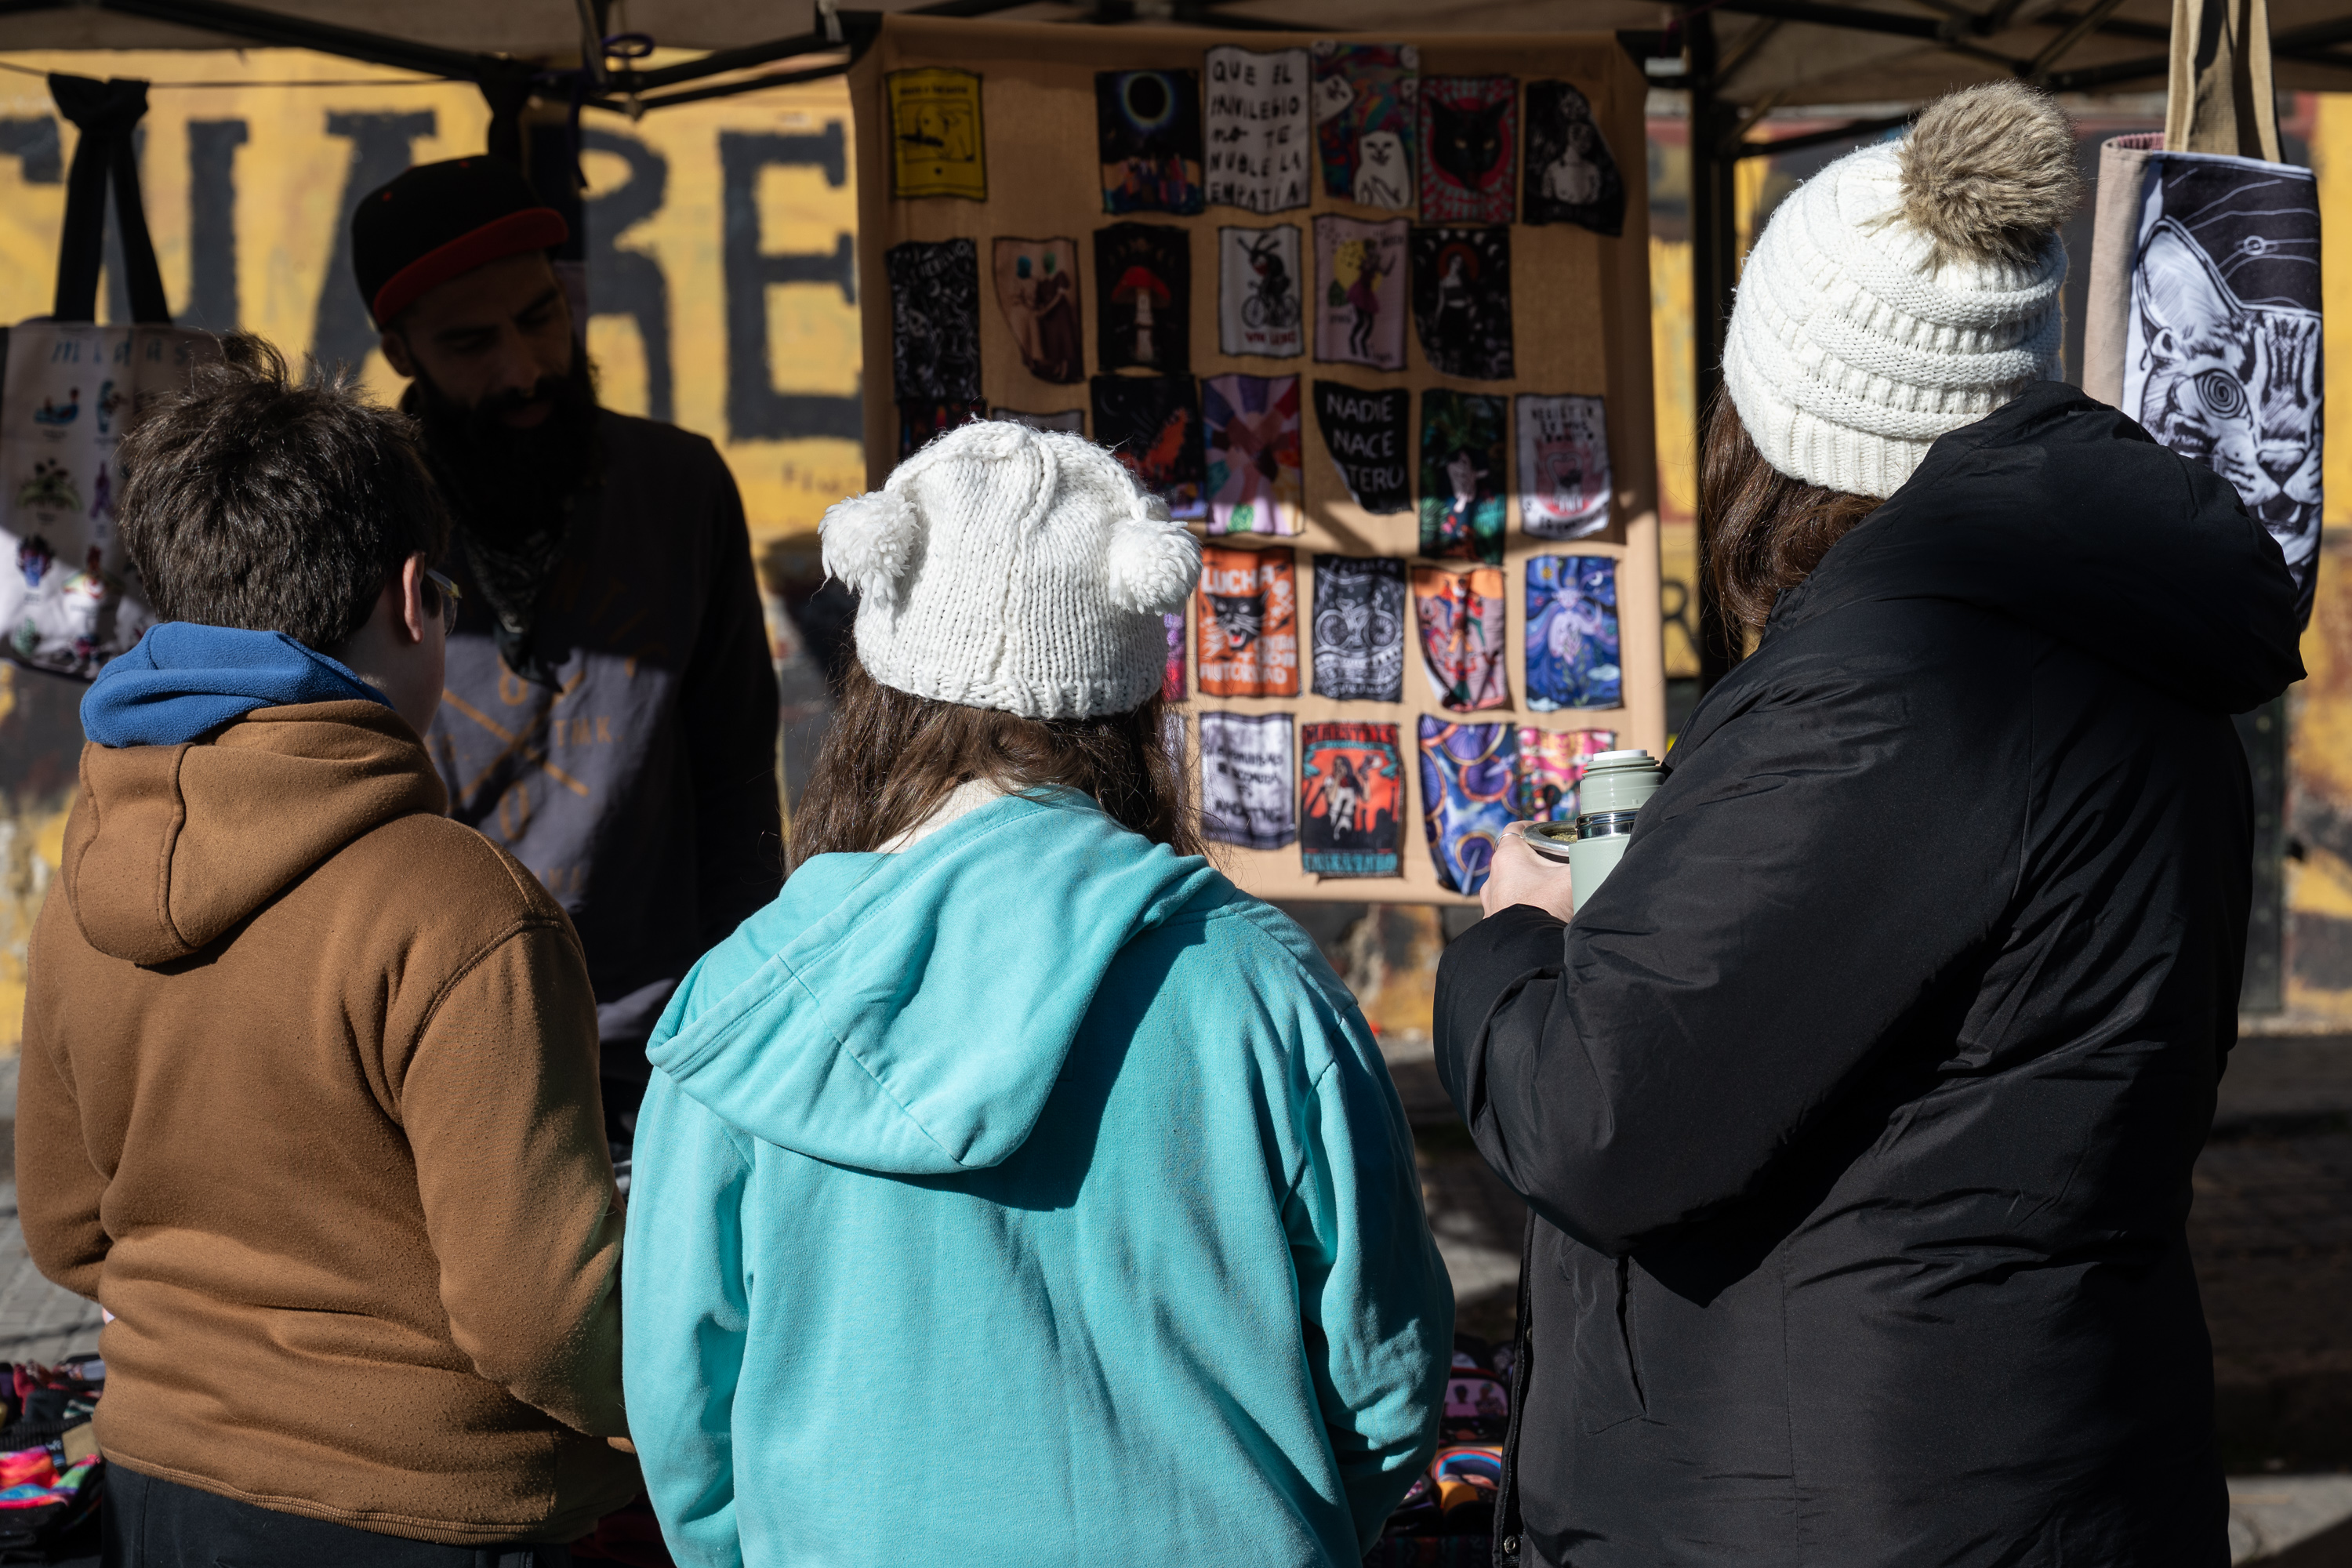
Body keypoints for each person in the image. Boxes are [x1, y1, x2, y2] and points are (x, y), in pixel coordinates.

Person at [1434, 81, 2304, 1568]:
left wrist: (1517, 931)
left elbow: (1597, 1117)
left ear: (1778, 421)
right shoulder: (2129, 643)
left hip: (1843, 1505)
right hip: (2032, 1463)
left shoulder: (1894, 686)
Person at [620, 419, 1454, 1566]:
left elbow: (683, 1421)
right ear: (1129, 710)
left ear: (877, 694)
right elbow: (1390, 1383)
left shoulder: (741, 1004)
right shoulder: (1263, 988)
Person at [15, 339, 637, 1563]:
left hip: (158, 1487)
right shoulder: (459, 909)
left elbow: (65, 1230)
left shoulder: (82, 882)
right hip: (434, 1512)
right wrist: (703, 1406)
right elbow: (540, 1316)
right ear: (415, 599)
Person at [350, 156, 782, 1153]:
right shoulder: (355, 516)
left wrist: (745, 1008)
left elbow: (734, 779)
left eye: (544, 315)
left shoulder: (681, 487)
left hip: (668, 1049)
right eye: (471, 341)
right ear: (399, 347)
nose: (526, 368)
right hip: (438, 1051)